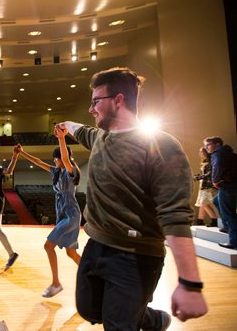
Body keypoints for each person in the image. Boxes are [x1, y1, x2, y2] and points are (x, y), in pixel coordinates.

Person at [57, 67, 207, 330]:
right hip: (96, 245)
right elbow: (78, 129)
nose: (91, 109)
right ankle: (150, 318)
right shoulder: (99, 137)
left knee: (117, 326)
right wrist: (64, 127)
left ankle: (147, 319)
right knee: (89, 309)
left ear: (118, 100)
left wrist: (190, 284)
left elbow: (175, 217)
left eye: (95, 101)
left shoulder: (162, 146)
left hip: (135, 256)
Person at [16, 127, 81, 298]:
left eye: (57, 158)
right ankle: (93, 275)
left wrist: (61, 138)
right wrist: (22, 153)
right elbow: (38, 162)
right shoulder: (56, 172)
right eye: (55, 159)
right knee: (71, 253)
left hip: (71, 214)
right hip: (62, 213)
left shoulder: (70, 171)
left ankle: (56, 283)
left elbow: (66, 158)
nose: (55, 161)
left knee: (48, 246)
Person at [203, 136, 237, 249]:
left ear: (217, 144)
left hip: (227, 185)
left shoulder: (218, 154)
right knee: (215, 201)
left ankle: (234, 241)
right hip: (232, 184)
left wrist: (215, 181)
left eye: (208, 145)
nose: (206, 148)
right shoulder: (228, 152)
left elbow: (217, 167)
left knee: (228, 212)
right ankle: (227, 226)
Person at [193, 147, 219, 227]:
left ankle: (214, 220)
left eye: (201, 152)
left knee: (203, 204)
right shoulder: (205, 162)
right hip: (203, 186)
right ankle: (200, 221)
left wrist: (198, 177)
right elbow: (203, 174)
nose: (200, 153)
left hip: (208, 186)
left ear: (205, 153)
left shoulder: (210, 162)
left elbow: (209, 174)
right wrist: (195, 177)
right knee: (202, 204)